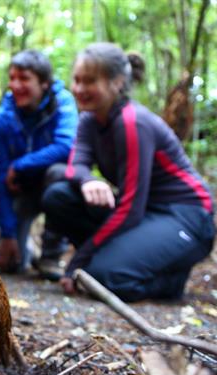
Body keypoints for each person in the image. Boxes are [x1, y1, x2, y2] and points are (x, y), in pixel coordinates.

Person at [42, 43, 215, 301]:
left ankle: (169, 283)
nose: (78, 89)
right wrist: (88, 180)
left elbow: (130, 210)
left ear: (117, 82)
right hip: (146, 214)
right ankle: (110, 259)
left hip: (187, 217)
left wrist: (78, 261)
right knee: (58, 194)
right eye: (76, 80)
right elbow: (74, 166)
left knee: (104, 278)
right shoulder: (89, 119)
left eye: (89, 81)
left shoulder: (132, 123)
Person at [0, 50, 78, 278]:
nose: (15, 85)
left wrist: (20, 165)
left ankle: (50, 254)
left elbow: (66, 146)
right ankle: (20, 244)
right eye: (12, 78)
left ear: (44, 83)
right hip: (23, 191)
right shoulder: (4, 117)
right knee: (11, 267)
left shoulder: (63, 103)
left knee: (59, 173)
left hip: (52, 186)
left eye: (24, 78)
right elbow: (0, 175)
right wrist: (7, 234)